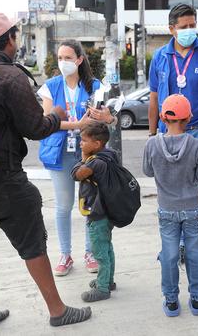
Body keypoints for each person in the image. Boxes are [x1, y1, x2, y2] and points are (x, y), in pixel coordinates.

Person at [0, 13, 93, 332]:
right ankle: (58, 310)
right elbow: (35, 128)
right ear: (11, 39)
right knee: (32, 242)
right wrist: (57, 116)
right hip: (3, 179)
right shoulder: (8, 76)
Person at [148, 3, 198, 273]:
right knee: (179, 195)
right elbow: (155, 97)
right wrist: (152, 135)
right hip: (173, 135)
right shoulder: (160, 57)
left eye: (193, 25)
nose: (189, 31)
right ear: (171, 29)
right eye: (183, 27)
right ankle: (183, 244)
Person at [37, 40, 116, 277]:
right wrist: (77, 124)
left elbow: (106, 118)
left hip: (88, 154)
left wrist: (107, 117)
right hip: (60, 153)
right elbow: (47, 122)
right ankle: (65, 254)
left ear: (79, 60)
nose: (63, 63)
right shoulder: (50, 87)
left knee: (90, 205)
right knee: (63, 206)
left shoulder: (94, 86)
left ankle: (90, 253)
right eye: (60, 58)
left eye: (68, 58)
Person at [143, 94, 198, 317]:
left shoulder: (152, 144)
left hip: (167, 208)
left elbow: (147, 171)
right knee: (195, 254)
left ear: (163, 117)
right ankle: (197, 300)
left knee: (170, 254)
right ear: (189, 118)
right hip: (193, 208)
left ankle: (172, 301)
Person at [71, 122, 118, 302]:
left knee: (99, 251)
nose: (81, 143)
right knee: (107, 247)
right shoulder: (110, 155)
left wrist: (83, 158)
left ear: (97, 144)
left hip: (97, 213)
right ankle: (109, 280)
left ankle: (103, 288)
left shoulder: (95, 163)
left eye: (84, 140)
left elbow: (76, 175)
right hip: (108, 211)